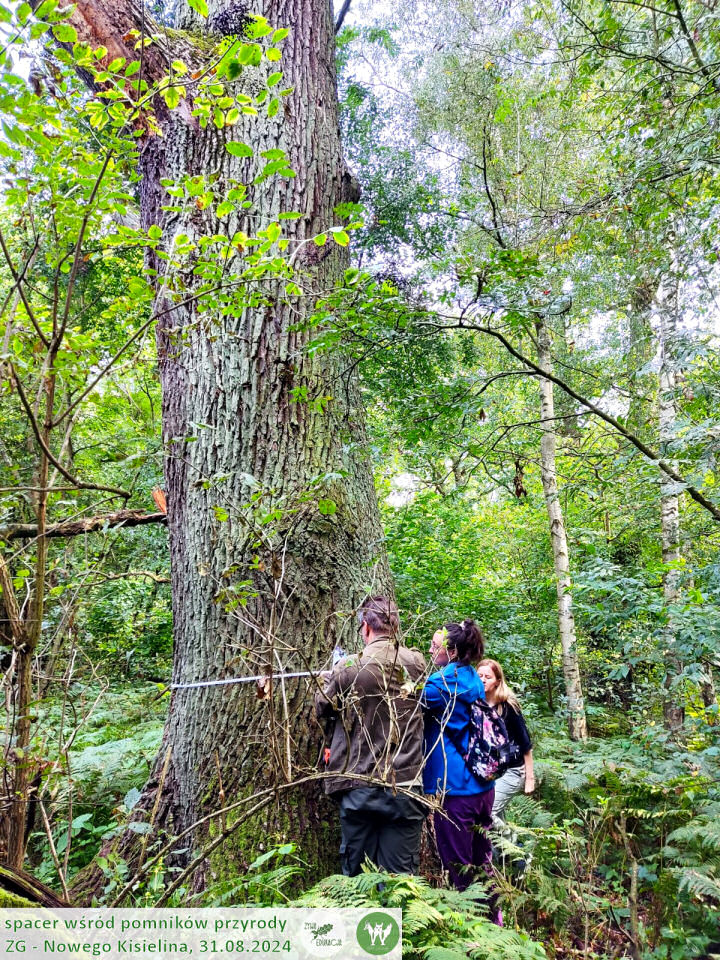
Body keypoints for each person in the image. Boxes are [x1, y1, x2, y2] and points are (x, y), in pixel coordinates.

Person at [315, 595, 428, 876]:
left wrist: (327, 680)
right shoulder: (416, 662)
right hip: (406, 786)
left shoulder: (352, 665)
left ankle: (360, 920)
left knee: (357, 879)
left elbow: (322, 707)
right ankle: (395, 920)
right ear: (395, 627)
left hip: (360, 784)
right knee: (400, 881)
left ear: (365, 627)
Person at [422, 619, 497, 899]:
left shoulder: (442, 685)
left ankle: (471, 932)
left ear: (451, 652)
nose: (429, 651)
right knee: (482, 863)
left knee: (459, 869)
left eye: (433, 646)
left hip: (455, 789)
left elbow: (404, 701)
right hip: (482, 785)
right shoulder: (473, 679)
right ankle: (493, 923)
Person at [477, 658, 534, 824]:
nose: (482, 680)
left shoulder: (508, 706)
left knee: (487, 814)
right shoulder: (477, 703)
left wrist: (529, 779)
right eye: (479, 675)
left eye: (487, 677)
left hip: (512, 770)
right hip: (491, 771)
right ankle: (509, 849)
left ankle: (513, 848)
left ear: (497, 681)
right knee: (495, 814)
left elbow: (526, 744)